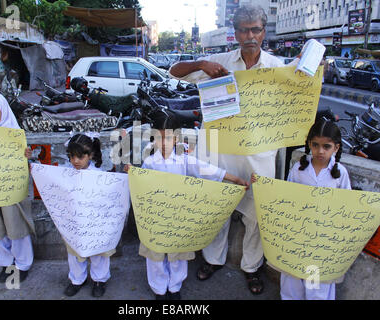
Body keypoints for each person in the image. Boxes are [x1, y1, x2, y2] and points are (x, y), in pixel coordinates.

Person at [169, 4, 297, 295]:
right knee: (217, 204)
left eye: (255, 29)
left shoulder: (278, 68)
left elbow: (301, 99)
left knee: (257, 213)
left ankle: (251, 267)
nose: (249, 35)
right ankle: (213, 259)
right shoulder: (219, 61)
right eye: (243, 29)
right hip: (221, 149)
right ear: (235, 32)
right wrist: (201, 65)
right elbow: (174, 71)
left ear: (264, 32)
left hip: (260, 153)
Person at [130, 109, 249, 300]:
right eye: (159, 138)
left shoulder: (185, 160)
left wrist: (235, 179)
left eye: (168, 138)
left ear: (176, 138)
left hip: (179, 217)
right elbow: (140, 186)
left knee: (177, 254)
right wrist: (131, 172)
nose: (163, 143)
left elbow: (209, 170)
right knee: (156, 255)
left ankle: (175, 287)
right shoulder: (150, 162)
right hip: (156, 217)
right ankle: (159, 289)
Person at [274, 119, 351, 300]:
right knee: (292, 279)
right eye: (315, 145)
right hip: (297, 234)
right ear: (309, 144)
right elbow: (286, 196)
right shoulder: (299, 169)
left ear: (336, 148)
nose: (320, 151)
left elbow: (347, 207)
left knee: (316, 284)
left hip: (323, 240)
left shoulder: (340, 173)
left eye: (327, 146)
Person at [0, 90, 35, 284]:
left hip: (11, 190)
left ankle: (22, 264)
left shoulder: (14, 133)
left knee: (15, 226)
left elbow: (24, 166)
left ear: (3, 111)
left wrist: (25, 156)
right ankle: (6, 263)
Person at [61, 133, 113, 298]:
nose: (75, 161)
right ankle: (77, 279)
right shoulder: (65, 174)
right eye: (71, 156)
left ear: (90, 155)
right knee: (74, 253)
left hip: (95, 222)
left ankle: (100, 279)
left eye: (80, 156)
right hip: (74, 222)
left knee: (98, 253)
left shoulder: (99, 175)